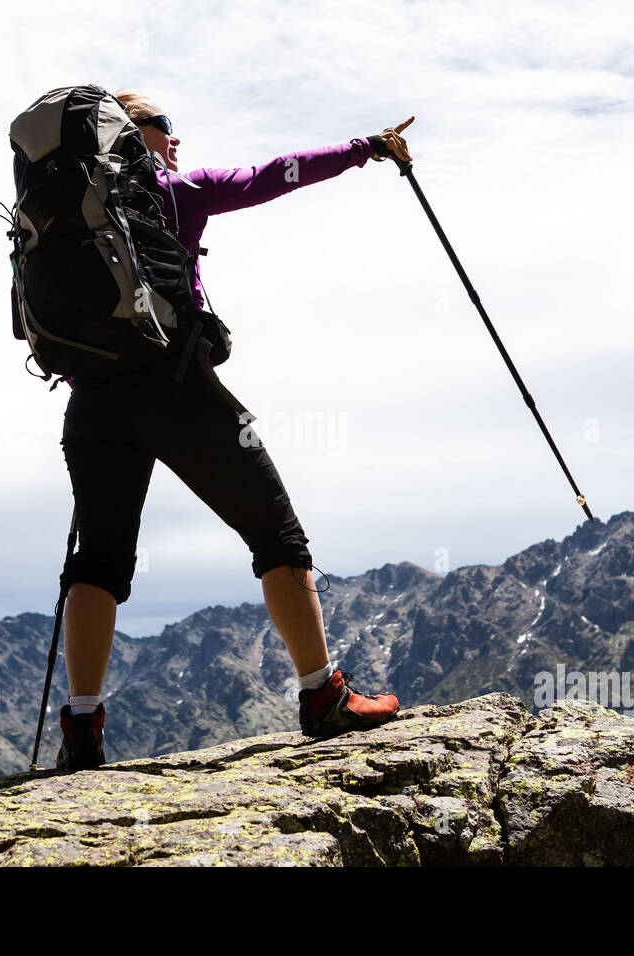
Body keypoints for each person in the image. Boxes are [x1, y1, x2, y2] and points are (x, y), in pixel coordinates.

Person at [55, 90, 415, 771]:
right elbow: (273, 174)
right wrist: (367, 150)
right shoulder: (174, 193)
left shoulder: (64, 216)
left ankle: (81, 727)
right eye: (167, 125)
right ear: (134, 133)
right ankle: (322, 697)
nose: (177, 140)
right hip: (177, 387)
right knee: (277, 535)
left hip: (92, 405)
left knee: (98, 560)